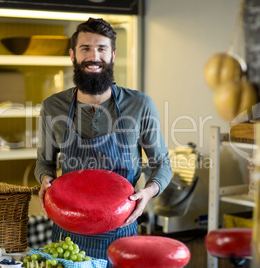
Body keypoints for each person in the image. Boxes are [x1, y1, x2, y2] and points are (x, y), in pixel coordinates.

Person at [34, 17, 172, 266]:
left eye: (101, 48)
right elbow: (43, 162)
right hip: (68, 235)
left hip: (121, 232)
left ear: (113, 55)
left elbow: (162, 164)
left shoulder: (139, 104)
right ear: (73, 55)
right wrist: (44, 180)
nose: (93, 56)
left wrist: (147, 193)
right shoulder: (53, 106)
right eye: (85, 48)